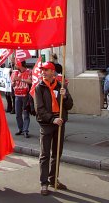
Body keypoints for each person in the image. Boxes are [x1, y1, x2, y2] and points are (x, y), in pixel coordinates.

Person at [34, 62, 73, 196]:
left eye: (46, 70)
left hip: (60, 122)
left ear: (53, 72)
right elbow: (39, 109)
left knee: (57, 153)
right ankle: (44, 183)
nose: (43, 72)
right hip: (46, 124)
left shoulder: (61, 86)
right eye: (42, 70)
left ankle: (53, 179)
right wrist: (52, 119)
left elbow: (70, 105)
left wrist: (65, 96)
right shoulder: (39, 87)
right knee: (45, 155)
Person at [11, 60, 32, 138]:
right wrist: (13, 82)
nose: (15, 65)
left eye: (17, 64)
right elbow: (12, 85)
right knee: (18, 114)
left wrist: (21, 79)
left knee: (26, 113)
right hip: (17, 95)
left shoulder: (29, 71)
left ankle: (25, 130)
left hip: (25, 95)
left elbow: (31, 81)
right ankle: (21, 129)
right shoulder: (15, 72)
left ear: (20, 65)